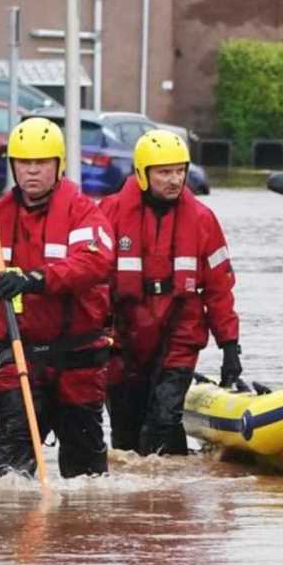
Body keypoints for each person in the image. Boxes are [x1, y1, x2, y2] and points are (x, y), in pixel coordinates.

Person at [0, 117, 116, 478]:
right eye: (24, 163)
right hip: (19, 353)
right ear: (13, 166)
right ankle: (13, 528)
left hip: (78, 356)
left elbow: (94, 262)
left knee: (86, 471)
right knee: (10, 461)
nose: (32, 171)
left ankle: (79, 531)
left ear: (58, 165)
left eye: (41, 163)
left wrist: (36, 280)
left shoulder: (83, 211)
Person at [100, 129, 242, 456]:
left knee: (163, 419)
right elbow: (92, 282)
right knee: (125, 433)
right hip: (123, 339)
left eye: (180, 171)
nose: (174, 180)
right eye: (164, 172)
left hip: (179, 333)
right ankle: (159, 497)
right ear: (142, 174)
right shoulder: (110, 213)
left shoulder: (203, 220)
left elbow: (220, 288)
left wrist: (230, 345)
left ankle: (172, 496)